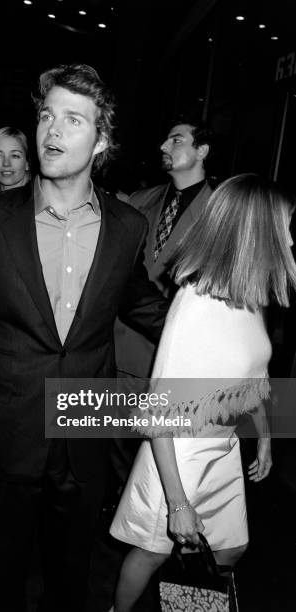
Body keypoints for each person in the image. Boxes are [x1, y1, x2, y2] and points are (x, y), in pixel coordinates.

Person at [0, 63, 169, 612]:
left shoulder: (126, 226)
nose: (52, 130)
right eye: (47, 116)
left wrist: (214, 322)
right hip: (8, 420)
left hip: (85, 422)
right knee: (0, 567)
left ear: (101, 141)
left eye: (72, 119)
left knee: (71, 573)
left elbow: (140, 301)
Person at [109, 173, 296, 612]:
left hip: (223, 449)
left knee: (229, 549)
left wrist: (265, 435)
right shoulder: (196, 303)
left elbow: (253, 376)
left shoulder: (251, 295)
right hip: (181, 455)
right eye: (285, 226)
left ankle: (188, 607)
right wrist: (177, 504)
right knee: (154, 552)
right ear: (258, 230)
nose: (290, 238)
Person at [111, 117, 214, 493]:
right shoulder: (142, 200)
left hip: (168, 353)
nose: (164, 147)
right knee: (116, 441)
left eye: (176, 140)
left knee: (158, 451)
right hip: (119, 345)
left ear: (201, 151)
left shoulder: (219, 213)